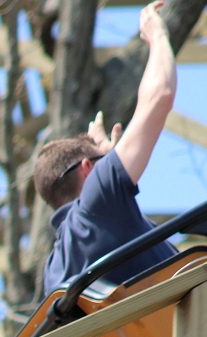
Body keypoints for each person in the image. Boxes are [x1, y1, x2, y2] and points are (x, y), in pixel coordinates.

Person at [36, 1, 177, 295]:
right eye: (103, 162)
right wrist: (159, 36)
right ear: (87, 169)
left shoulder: (55, 270)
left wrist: (108, 161)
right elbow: (160, 95)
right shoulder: (97, 203)